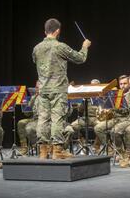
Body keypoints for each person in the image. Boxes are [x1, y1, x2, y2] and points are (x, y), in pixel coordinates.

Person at [32, 18, 91, 159]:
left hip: (43, 90)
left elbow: (36, 61)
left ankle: (43, 151)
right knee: (57, 119)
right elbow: (80, 58)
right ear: (57, 31)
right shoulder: (60, 46)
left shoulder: (36, 48)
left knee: (43, 119)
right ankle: (57, 151)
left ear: (45, 31)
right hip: (58, 89)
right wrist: (85, 46)